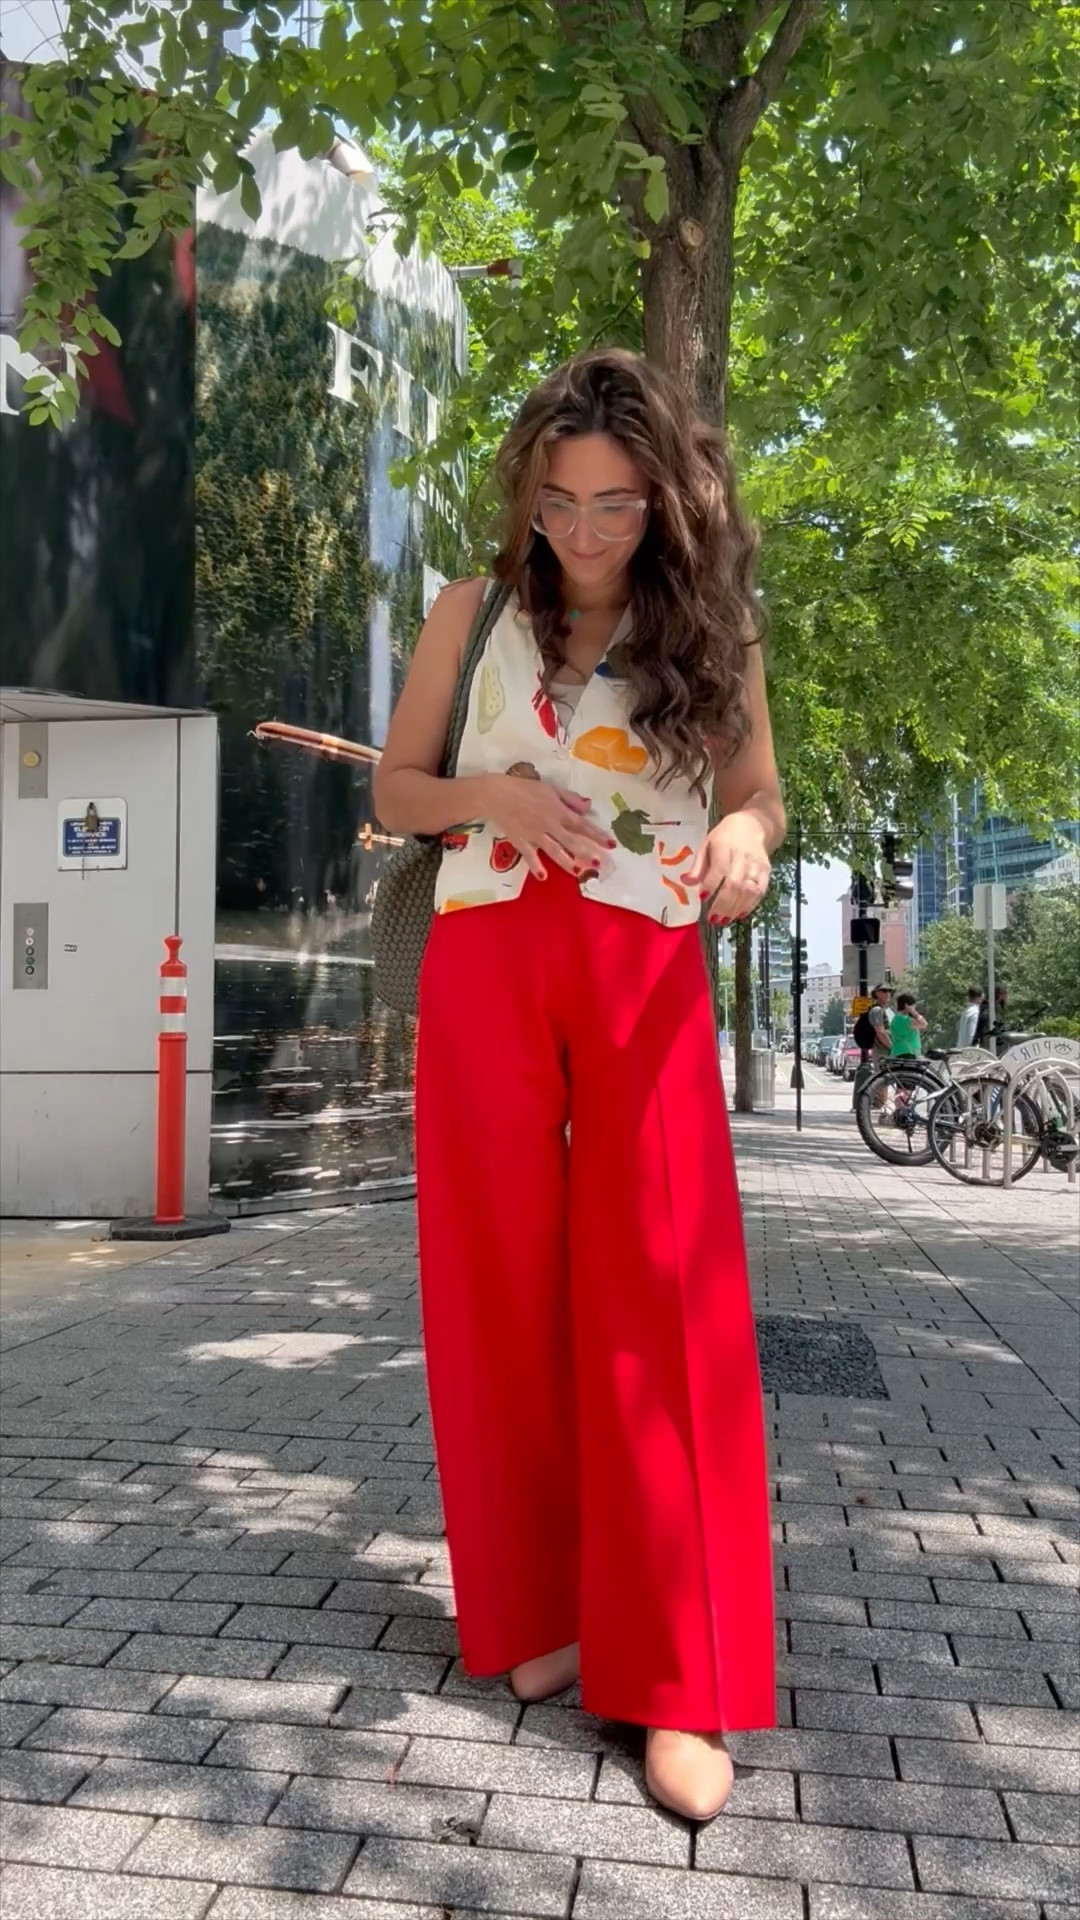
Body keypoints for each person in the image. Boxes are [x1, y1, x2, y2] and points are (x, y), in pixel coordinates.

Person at [374, 348, 784, 1822]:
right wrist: (491, 792)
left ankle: (681, 1680)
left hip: (642, 965)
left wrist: (745, 845)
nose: (586, 530)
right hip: (489, 960)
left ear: (664, 498)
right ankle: (536, 1614)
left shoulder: (713, 631)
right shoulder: (472, 612)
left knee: (664, 1294)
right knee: (494, 1282)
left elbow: (757, 795)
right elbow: (397, 792)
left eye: (616, 503)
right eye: (559, 500)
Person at [890, 992, 927, 1057]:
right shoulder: (903, 1019)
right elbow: (924, 1023)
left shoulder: (898, 1018)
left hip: (903, 1053)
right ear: (907, 1005)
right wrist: (913, 1012)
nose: (915, 1007)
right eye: (913, 1005)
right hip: (906, 1053)